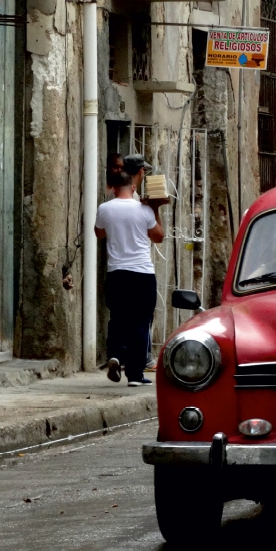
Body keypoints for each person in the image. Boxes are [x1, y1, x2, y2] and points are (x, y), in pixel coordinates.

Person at [95, 158, 167, 386]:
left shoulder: (104, 208)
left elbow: (99, 234)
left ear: (114, 188)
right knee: (140, 322)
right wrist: (156, 211)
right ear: (133, 188)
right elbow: (159, 237)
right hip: (142, 275)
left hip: (117, 273)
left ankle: (115, 355)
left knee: (117, 318)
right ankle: (135, 375)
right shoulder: (144, 210)